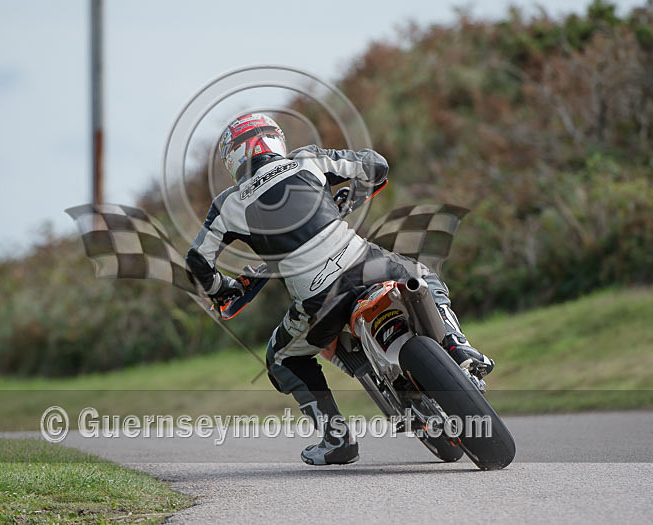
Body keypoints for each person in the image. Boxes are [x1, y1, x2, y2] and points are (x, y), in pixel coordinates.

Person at [186, 113, 494, 465]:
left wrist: (221, 288)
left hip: (318, 301)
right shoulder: (307, 159)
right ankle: (459, 347)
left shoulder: (228, 203)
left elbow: (197, 262)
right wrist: (349, 198)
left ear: (234, 158)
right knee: (425, 278)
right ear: (275, 140)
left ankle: (336, 439)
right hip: (366, 265)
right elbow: (375, 165)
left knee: (280, 359)